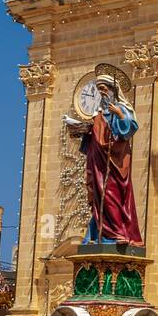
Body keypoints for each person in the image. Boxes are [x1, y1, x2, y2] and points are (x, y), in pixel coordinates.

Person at [67, 74, 143, 246]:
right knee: (99, 196)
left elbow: (129, 129)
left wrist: (119, 115)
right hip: (97, 161)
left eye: (103, 89)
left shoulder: (122, 108)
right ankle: (98, 234)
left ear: (113, 89)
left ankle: (117, 232)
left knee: (111, 194)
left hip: (113, 160)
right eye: (98, 89)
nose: (101, 93)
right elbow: (96, 134)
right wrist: (83, 130)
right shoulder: (99, 113)